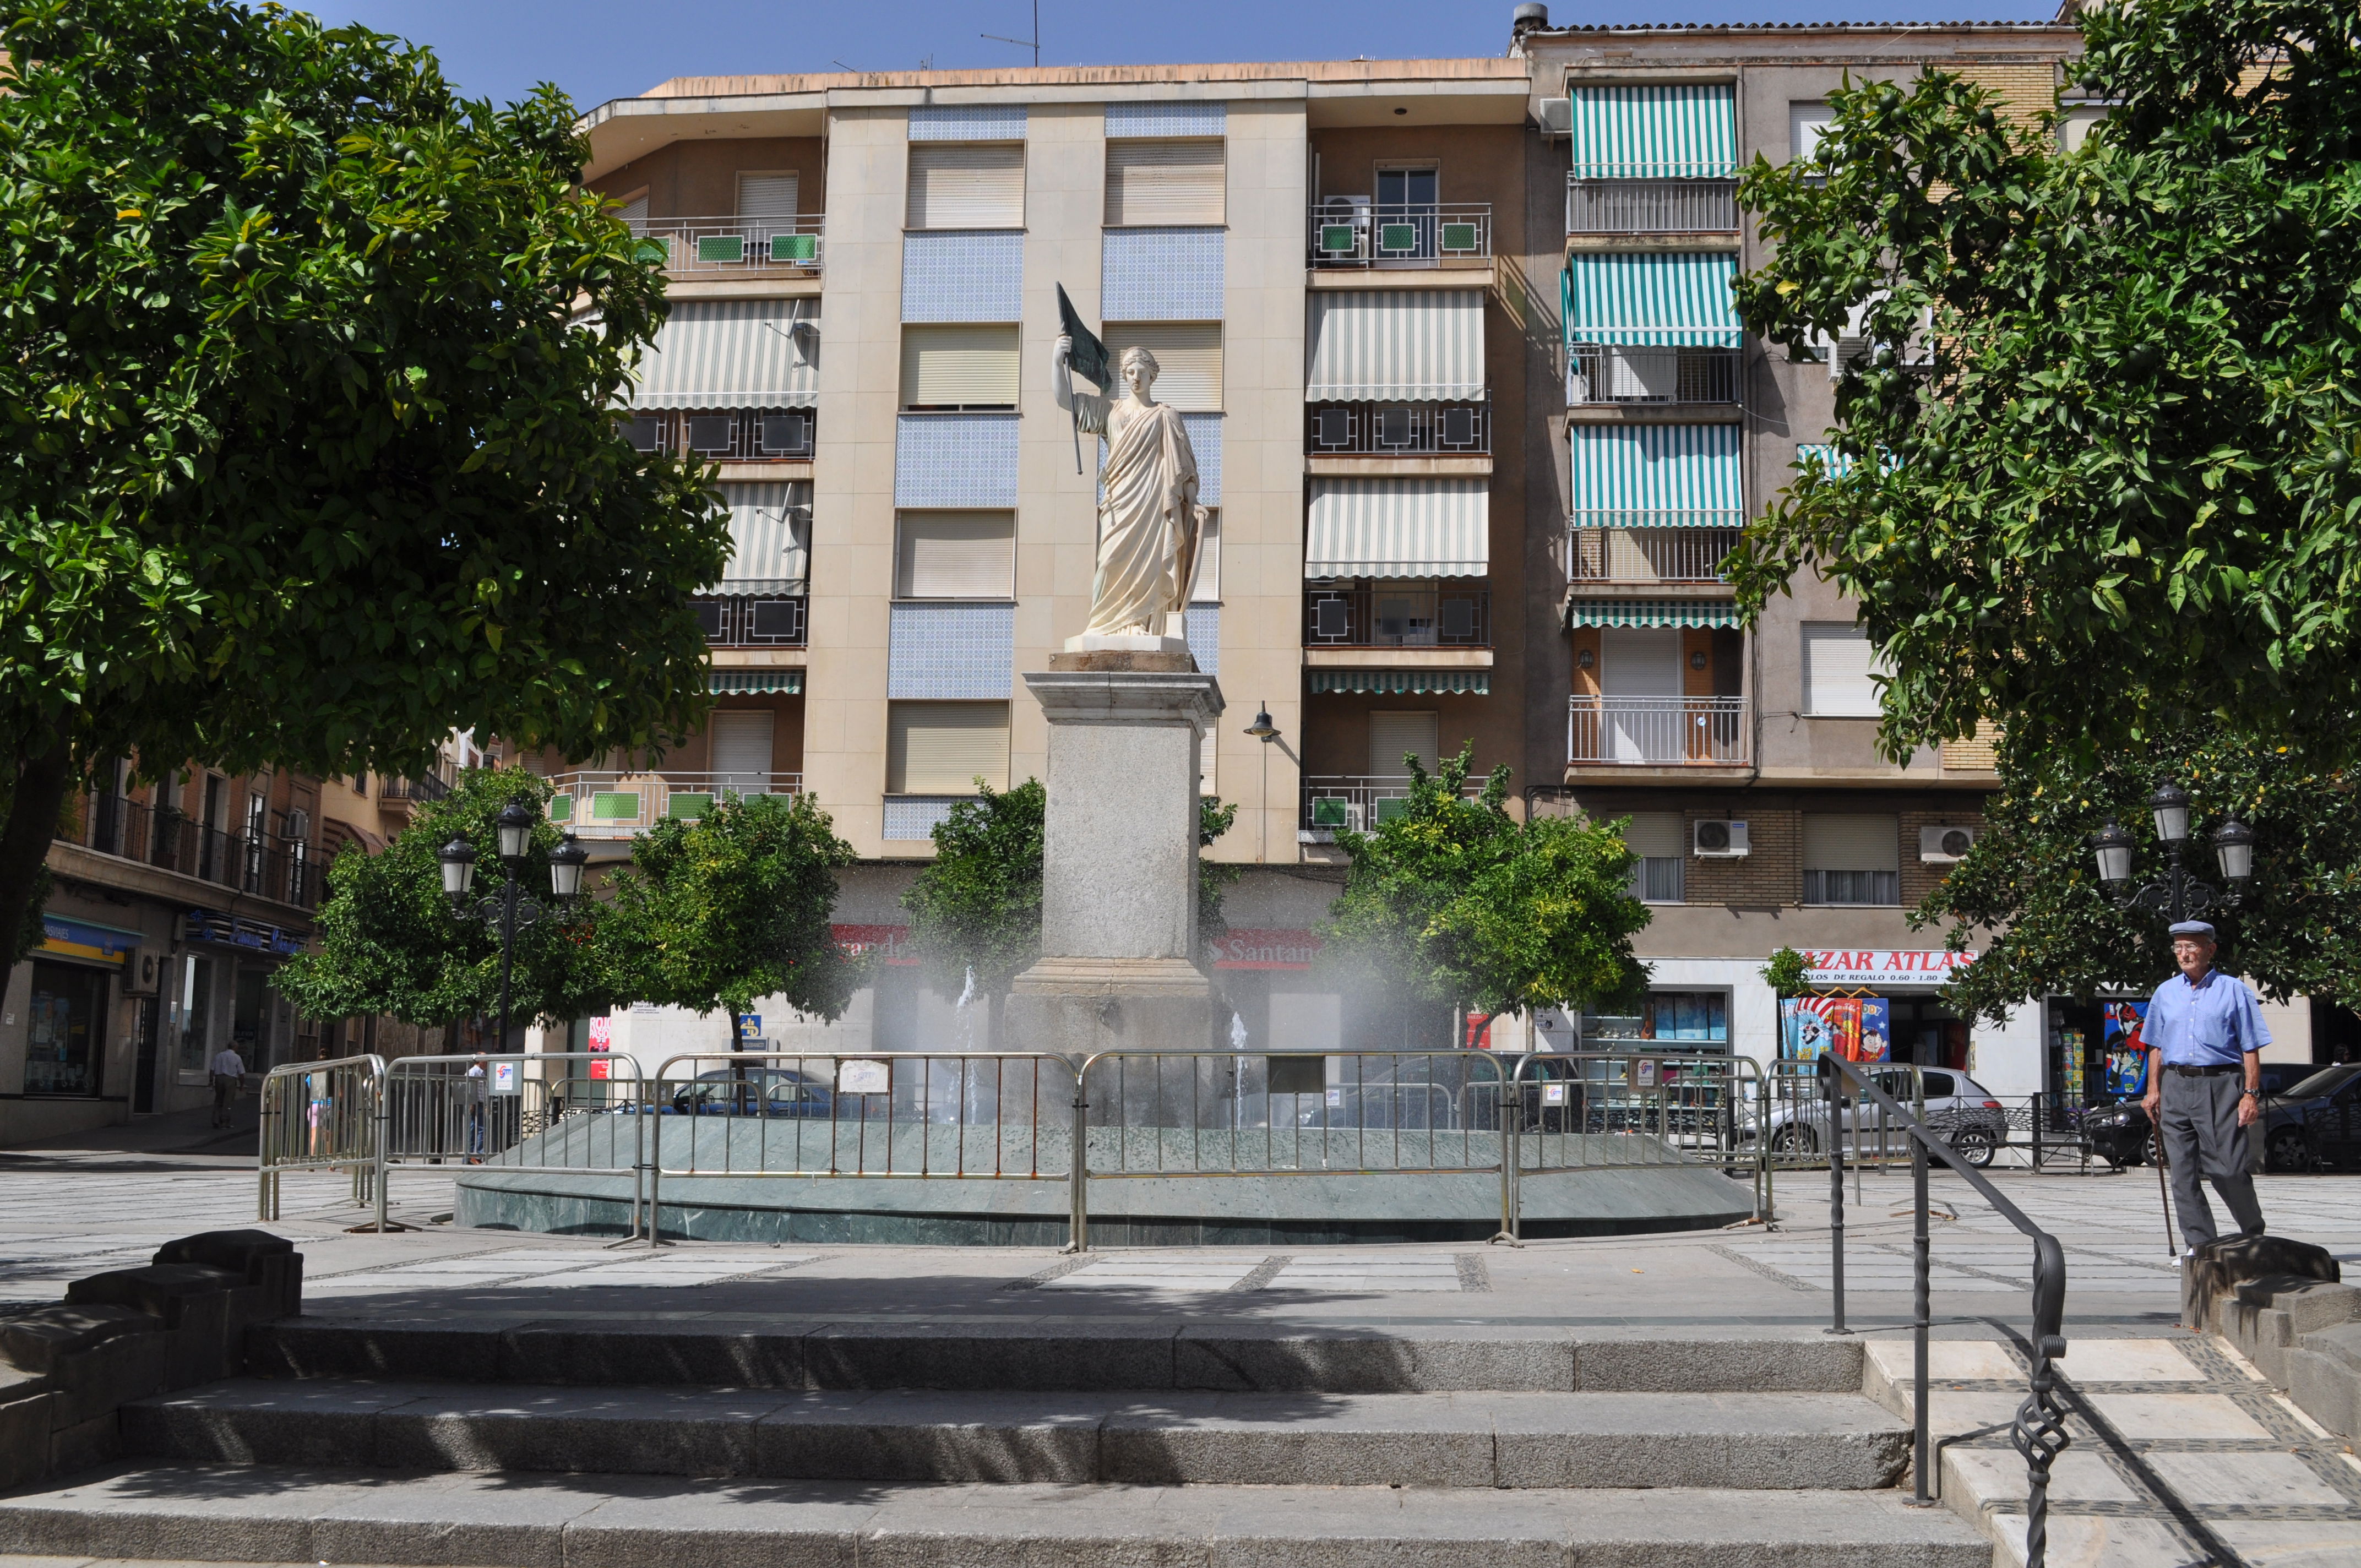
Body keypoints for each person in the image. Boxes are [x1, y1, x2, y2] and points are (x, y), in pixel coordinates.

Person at [2141, 920, 2271, 1259]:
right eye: (2178, 947)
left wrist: (2251, 1094)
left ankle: (2252, 1231)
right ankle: (2200, 1246)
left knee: (2225, 1167)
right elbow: (2154, 1045)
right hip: (2175, 1084)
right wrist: (2152, 1090)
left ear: (2210, 950)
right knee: (2182, 1174)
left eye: (2192, 946)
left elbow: (2251, 1046)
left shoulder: (2233, 990)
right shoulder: (2165, 992)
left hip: (2222, 1083)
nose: (2184, 954)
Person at [209, 1042, 247, 1129]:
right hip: (230, 1079)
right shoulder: (237, 1057)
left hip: (219, 1078)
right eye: (237, 1047)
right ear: (235, 1048)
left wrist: (211, 1081)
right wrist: (242, 1085)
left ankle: (215, 1120)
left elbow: (212, 1070)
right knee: (227, 1101)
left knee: (218, 1099)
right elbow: (241, 1073)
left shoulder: (219, 1056)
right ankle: (224, 1122)